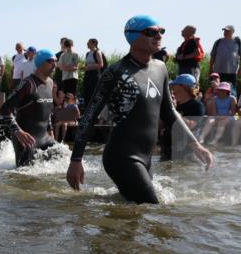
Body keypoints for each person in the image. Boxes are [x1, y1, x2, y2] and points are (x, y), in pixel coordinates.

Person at [67, 15, 213, 204]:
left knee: (138, 212)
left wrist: (196, 145)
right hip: (121, 156)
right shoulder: (116, 72)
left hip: (146, 158)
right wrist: (76, 160)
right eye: (151, 32)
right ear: (133, 37)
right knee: (152, 206)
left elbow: (169, 112)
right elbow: (89, 115)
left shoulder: (160, 68)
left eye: (161, 31)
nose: (159, 36)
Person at [0, 49, 58, 167]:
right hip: (25, 139)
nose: (54, 65)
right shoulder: (28, 84)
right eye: (51, 61)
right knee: (23, 174)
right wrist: (18, 132)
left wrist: (51, 130)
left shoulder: (50, 83)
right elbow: (5, 109)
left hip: (45, 137)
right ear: (41, 63)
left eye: (55, 61)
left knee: (65, 159)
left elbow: (47, 110)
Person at [198, 79, 238, 146]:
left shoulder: (232, 99)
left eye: (223, 90)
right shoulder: (214, 98)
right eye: (220, 90)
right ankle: (201, 137)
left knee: (222, 122)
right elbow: (214, 112)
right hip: (217, 115)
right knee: (210, 120)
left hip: (229, 116)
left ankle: (215, 140)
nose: (221, 91)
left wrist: (223, 117)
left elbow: (233, 113)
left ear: (227, 91)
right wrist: (218, 117)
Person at [208, 25, 240, 95]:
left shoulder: (237, 42)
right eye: (224, 31)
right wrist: (210, 69)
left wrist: (240, 69)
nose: (225, 32)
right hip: (218, 72)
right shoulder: (218, 42)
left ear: (232, 32)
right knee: (217, 90)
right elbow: (213, 56)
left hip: (232, 72)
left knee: (232, 91)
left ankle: (232, 101)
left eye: (227, 31)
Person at [83, 39, 104, 108]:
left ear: (94, 43)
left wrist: (89, 67)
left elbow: (101, 64)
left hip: (94, 76)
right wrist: (84, 67)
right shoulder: (87, 53)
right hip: (87, 75)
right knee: (87, 94)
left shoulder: (97, 52)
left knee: (93, 93)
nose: (87, 44)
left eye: (88, 43)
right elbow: (86, 65)